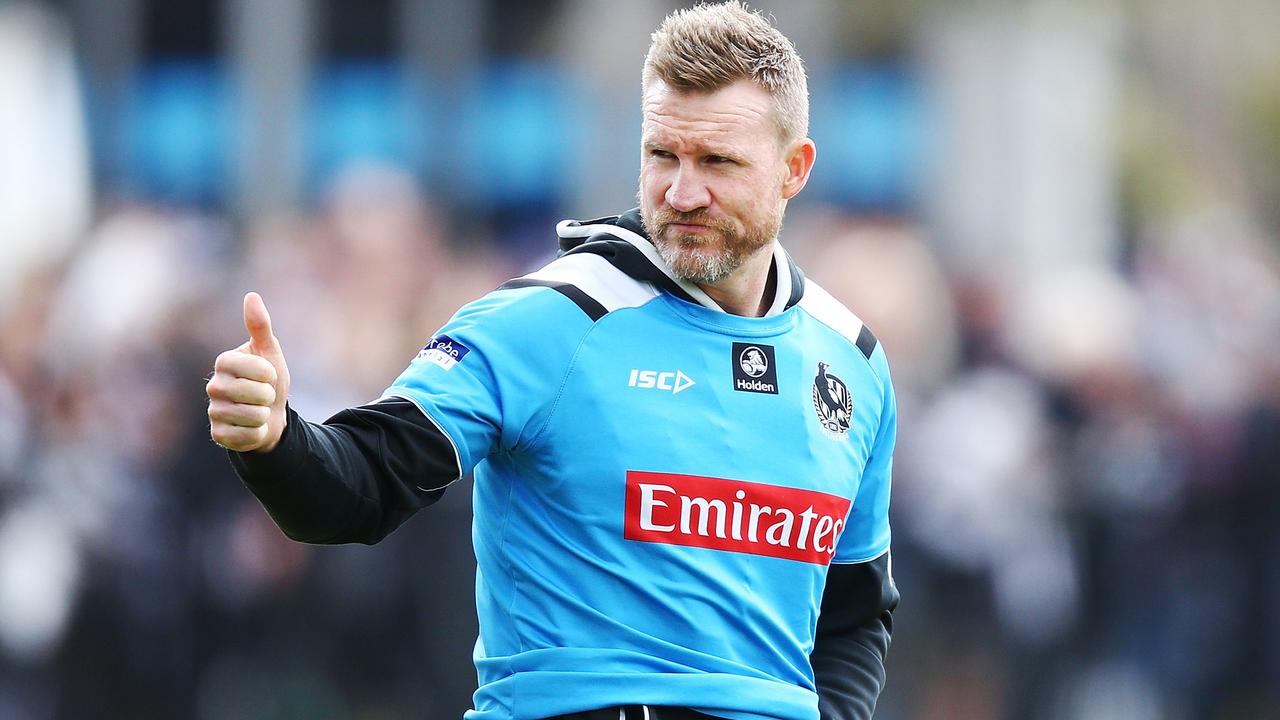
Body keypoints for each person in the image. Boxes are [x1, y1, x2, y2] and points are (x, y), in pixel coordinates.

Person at [206, 3, 898, 719]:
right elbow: (360, 486)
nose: (682, 192)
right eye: (663, 155)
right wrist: (273, 438)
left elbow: (854, 615)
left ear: (794, 168)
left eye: (717, 162)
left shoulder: (852, 363)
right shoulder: (550, 320)